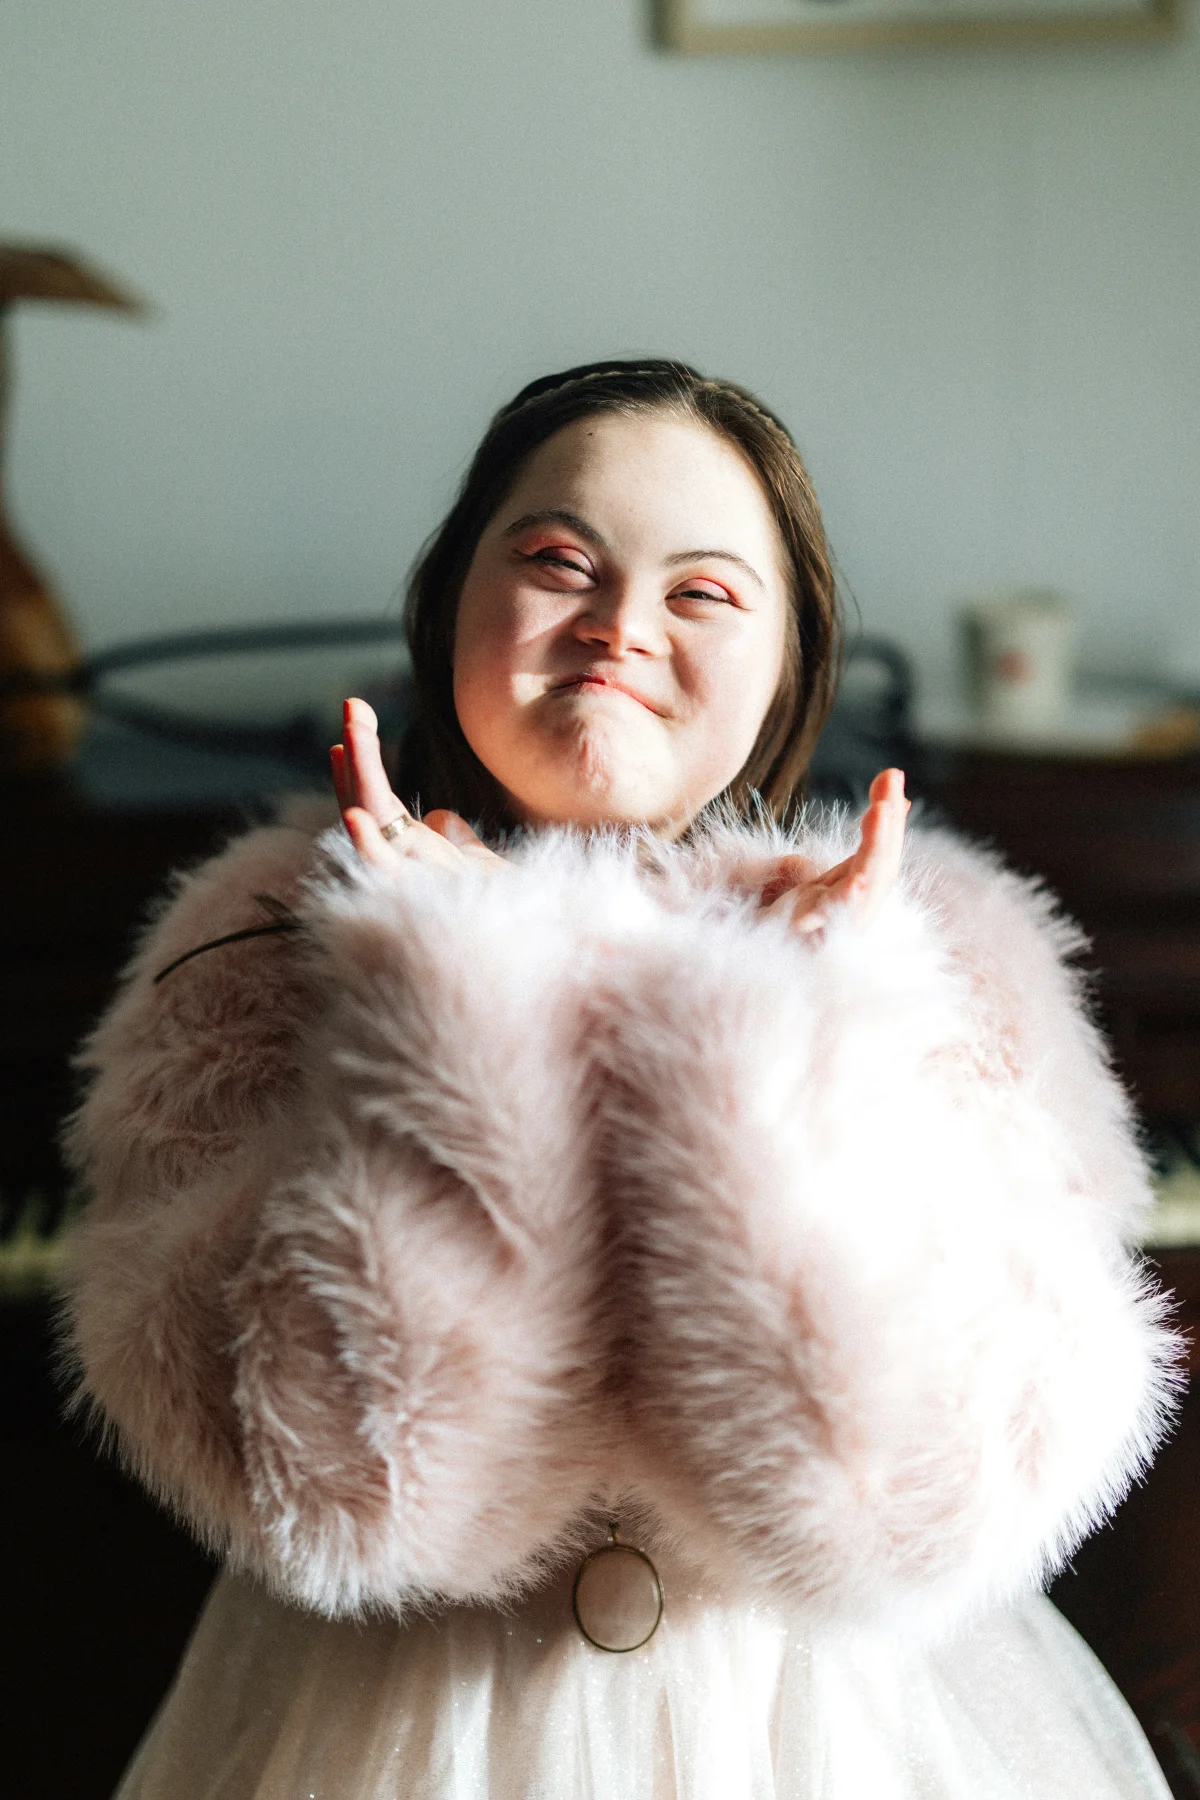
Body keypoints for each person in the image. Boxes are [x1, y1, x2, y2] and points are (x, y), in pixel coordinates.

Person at [64, 360, 1178, 1799]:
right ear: (449, 603)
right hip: (396, 1733)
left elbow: (913, 1522)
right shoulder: (260, 940)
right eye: (556, 562)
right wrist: (448, 998)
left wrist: (789, 1043)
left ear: (788, 662)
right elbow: (339, 1504)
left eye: (703, 591)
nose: (618, 627)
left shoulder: (939, 951)